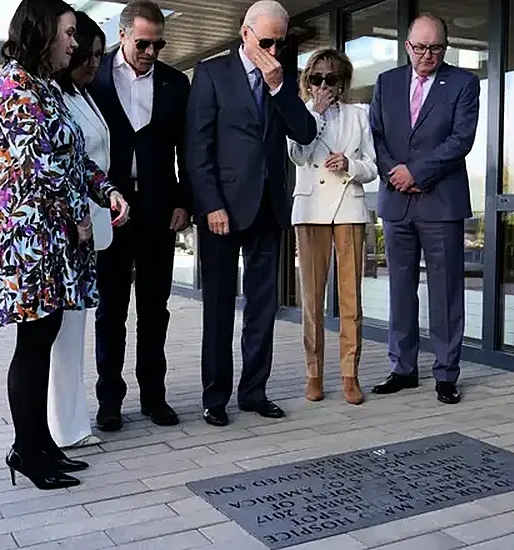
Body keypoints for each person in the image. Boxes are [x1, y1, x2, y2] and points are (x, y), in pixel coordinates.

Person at [0, 0, 129, 490]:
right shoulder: (13, 86)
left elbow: (73, 156)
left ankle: (41, 445)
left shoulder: (45, 88)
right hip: (28, 237)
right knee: (34, 343)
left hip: (51, 237)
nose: (74, 43)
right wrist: (78, 215)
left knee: (43, 340)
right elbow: (35, 167)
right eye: (66, 33)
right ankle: (26, 450)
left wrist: (108, 191)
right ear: (40, 32)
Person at [185, 0, 317, 427]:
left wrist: (279, 88)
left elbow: (306, 132)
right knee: (220, 308)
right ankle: (215, 397)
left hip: (268, 209)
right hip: (223, 210)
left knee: (263, 308)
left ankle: (254, 392)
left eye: (281, 42)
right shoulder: (212, 73)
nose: (274, 50)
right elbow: (196, 147)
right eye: (266, 42)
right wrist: (211, 204)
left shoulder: (281, 76)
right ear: (245, 35)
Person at [88, 0, 193, 432]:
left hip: (158, 209)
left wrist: (185, 200)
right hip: (111, 208)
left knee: (155, 308)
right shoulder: (94, 77)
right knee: (111, 308)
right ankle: (109, 401)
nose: (152, 52)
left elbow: (187, 147)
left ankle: (154, 396)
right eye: (144, 44)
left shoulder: (175, 83)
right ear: (123, 35)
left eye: (159, 44)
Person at [369, 14, 479, 404]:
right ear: (407, 46)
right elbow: (377, 137)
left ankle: (446, 373)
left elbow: (460, 139)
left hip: (440, 202)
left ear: (445, 48)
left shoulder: (464, 84)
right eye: (419, 47)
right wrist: (394, 174)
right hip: (396, 203)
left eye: (435, 48)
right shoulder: (386, 83)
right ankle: (403, 368)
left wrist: (416, 173)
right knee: (400, 289)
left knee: (446, 291)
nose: (426, 55)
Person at [287, 49, 377, 405]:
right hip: (309, 209)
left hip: (349, 209)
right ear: (308, 82)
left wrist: (351, 164)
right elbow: (297, 154)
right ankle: (314, 373)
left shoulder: (359, 116)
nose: (324, 85)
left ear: (342, 82)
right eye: (316, 79)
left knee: (351, 300)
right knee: (312, 300)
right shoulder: (301, 113)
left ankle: (349, 374)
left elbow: (373, 165)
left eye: (331, 79)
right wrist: (317, 114)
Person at [48, 11, 113, 449]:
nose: (92, 63)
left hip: (91, 226)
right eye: (86, 52)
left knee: (75, 331)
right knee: (60, 336)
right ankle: (62, 427)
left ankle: (73, 422)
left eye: (98, 56)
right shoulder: (53, 95)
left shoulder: (83, 94)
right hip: (68, 228)